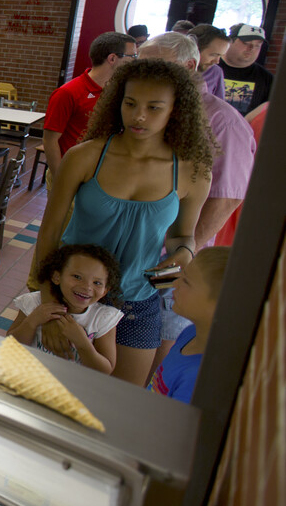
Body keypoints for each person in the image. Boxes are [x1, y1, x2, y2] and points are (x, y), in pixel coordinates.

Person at [35, 59, 213, 386]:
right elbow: (50, 232)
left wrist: (180, 258)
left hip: (137, 302)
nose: (139, 116)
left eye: (154, 107)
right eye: (130, 104)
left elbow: (183, 236)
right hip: (71, 296)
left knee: (120, 404)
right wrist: (48, 303)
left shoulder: (193, 171)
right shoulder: (85, 156)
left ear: (176, 110)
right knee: (53, 394)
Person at [137, 32, 254, 379]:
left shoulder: (223, 121)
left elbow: (227, 198)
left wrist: (179, 261)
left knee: (164, 332)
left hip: (174, 255)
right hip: (141, 246)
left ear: (189, 66)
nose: (145, 73)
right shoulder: (159, 110)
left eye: (155, 65)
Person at [41, 31, 137, 189]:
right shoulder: (68, 93)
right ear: (112, 58)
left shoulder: (120, 93)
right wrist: (61, 179)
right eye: (132, 57)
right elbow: (50, 140)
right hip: (73, 175)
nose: (135, 63)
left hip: (102, 176)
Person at [8, 244, 123, 374]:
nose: (87, 287)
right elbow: (10, 344)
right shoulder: (34, 303)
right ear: (57, 277)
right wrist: (32, 321)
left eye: (97, 283)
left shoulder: (103, 318)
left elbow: (105, 370)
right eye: (77, 277)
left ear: (105, 291)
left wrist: (82, 343)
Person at [148, 247, 230, 403]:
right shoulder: (191, 332)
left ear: (217, 305)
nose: (175, 284)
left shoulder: (200, 378)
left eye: (186, 281)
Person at [219, 23, 274, 115]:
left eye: (257, 45)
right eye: (246, 43)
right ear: (230, 42)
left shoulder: (266, 79)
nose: (251, 48)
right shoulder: (209, 66)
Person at [188, 24, 230, 99]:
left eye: (220, 56)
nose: (217, 61)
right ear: (195, 49)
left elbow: (219, 105)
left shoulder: (215, 72)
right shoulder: (172, 67)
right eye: (213, 55)